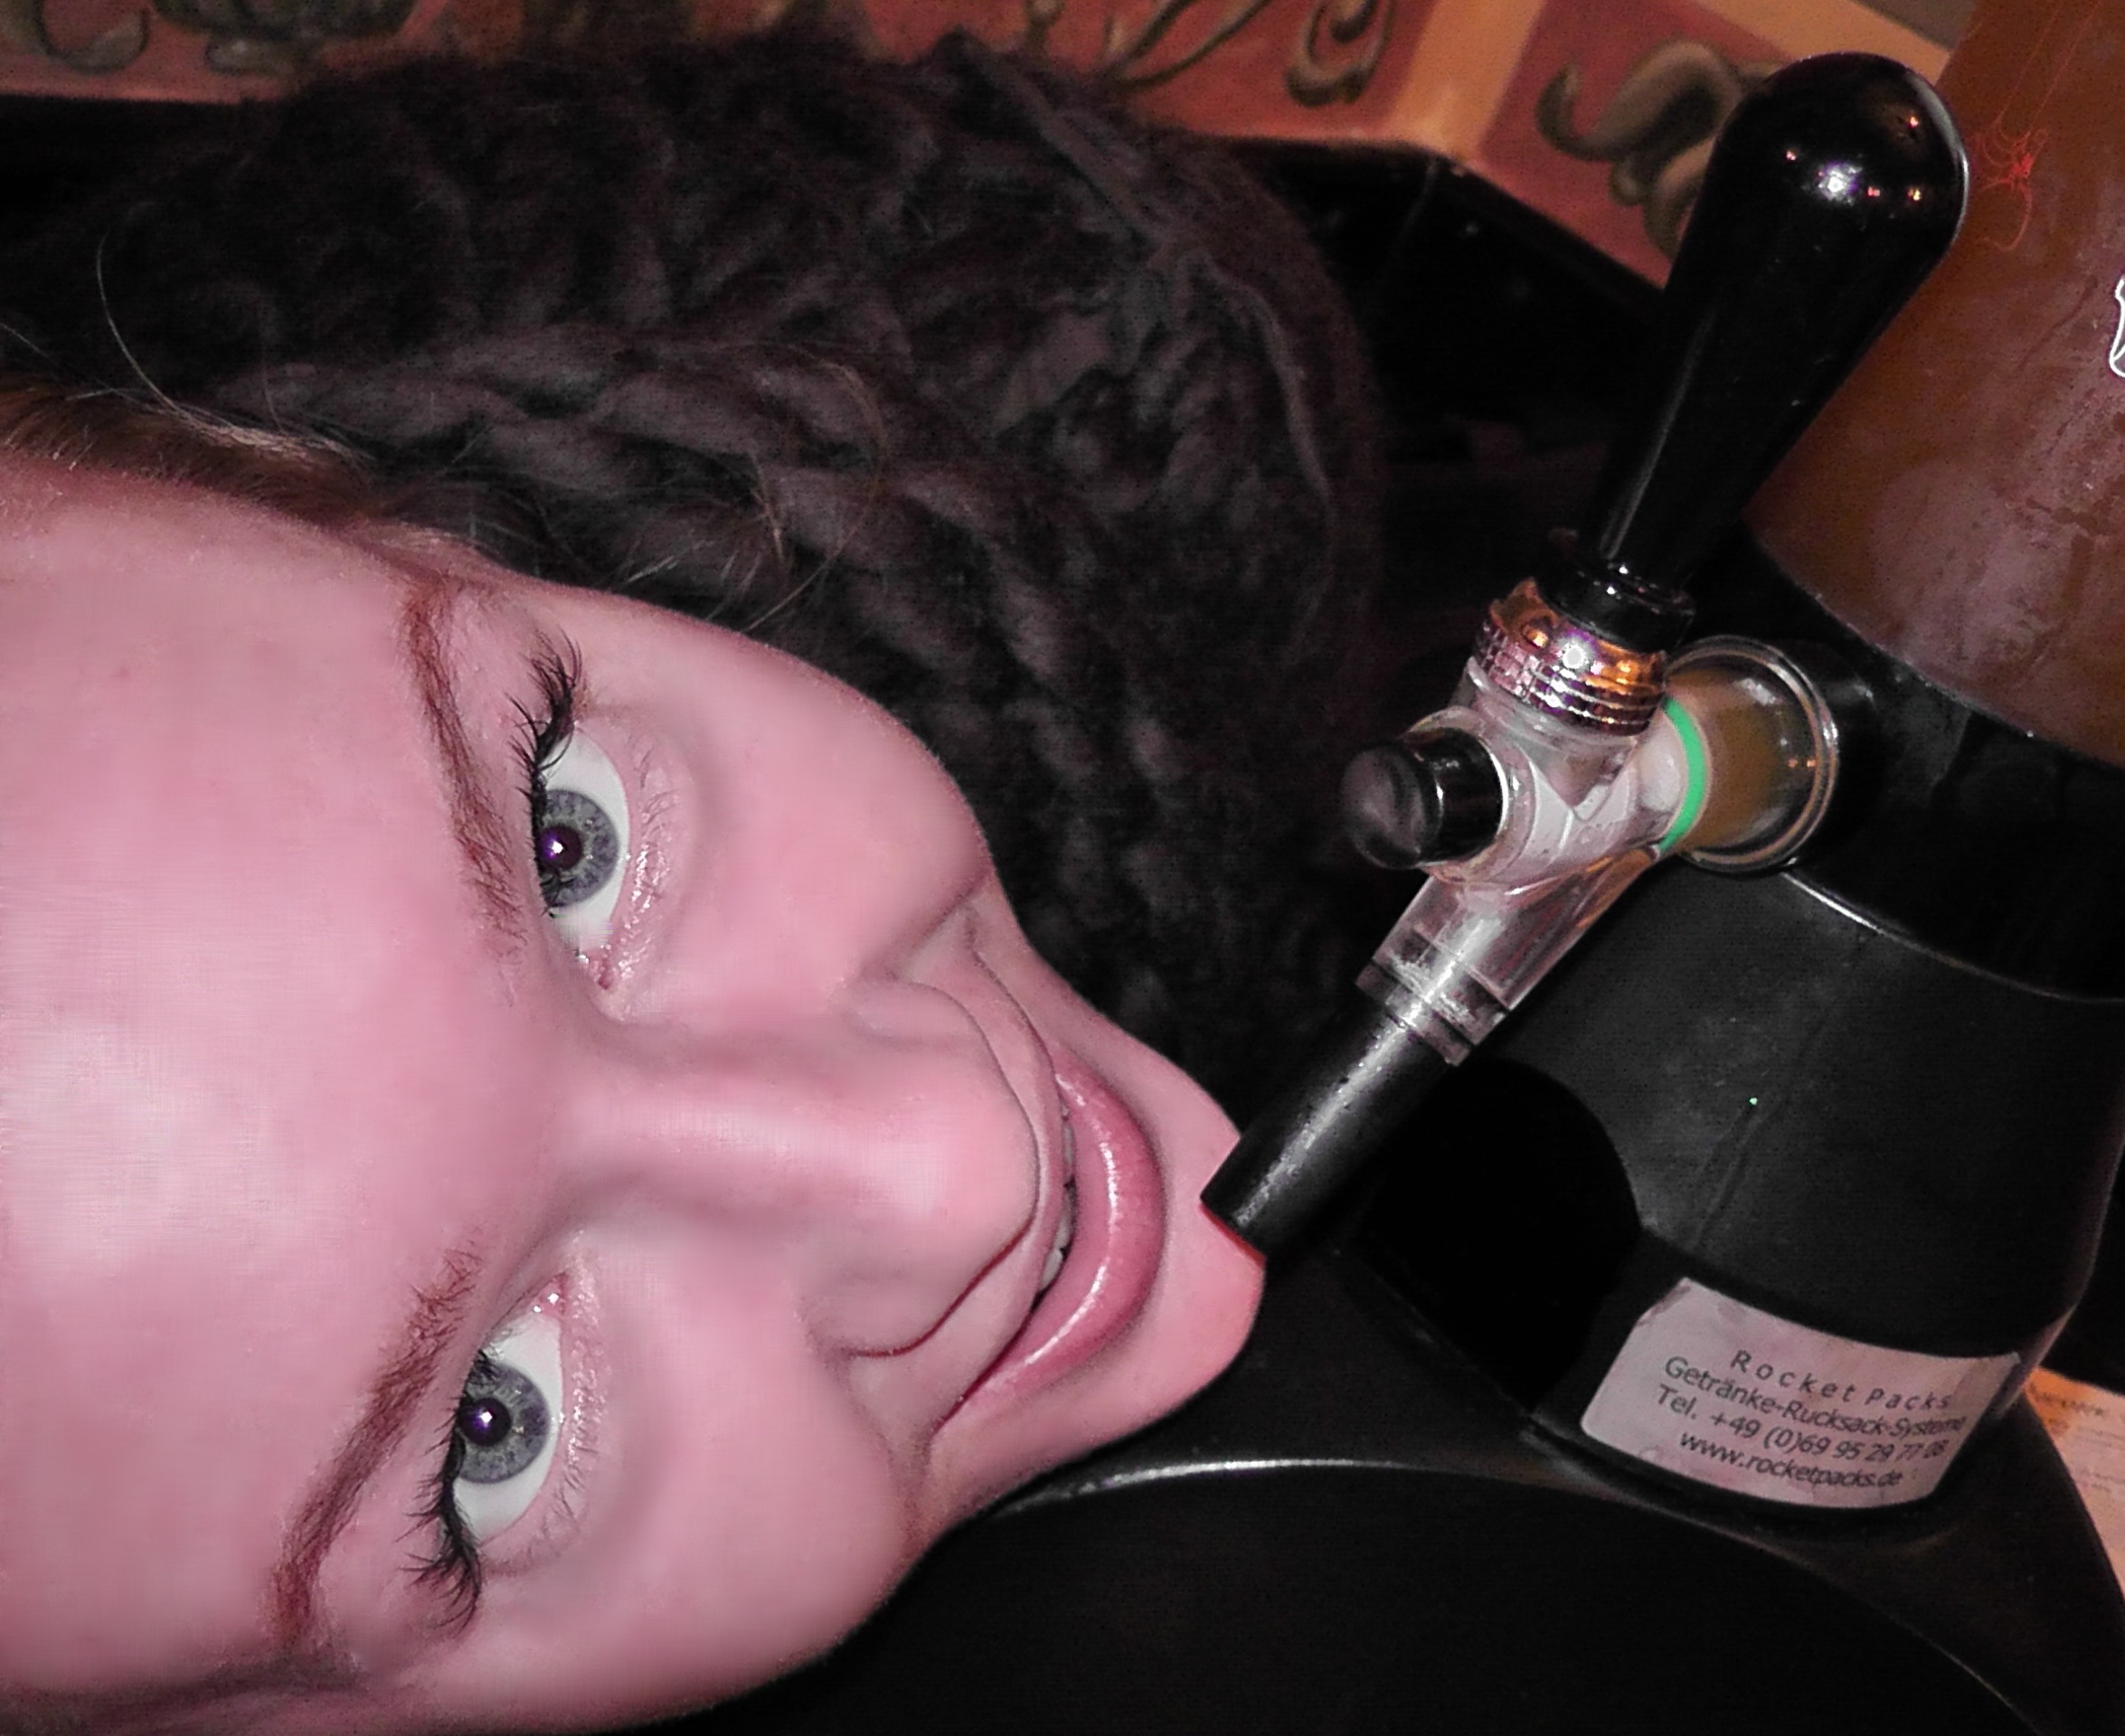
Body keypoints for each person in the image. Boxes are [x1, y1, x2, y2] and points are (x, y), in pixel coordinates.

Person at [0, 17, 1381, 1732]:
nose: (954, 1165)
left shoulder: (1085, 372)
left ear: (371, 516)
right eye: (491, 1429)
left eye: (565, 839)